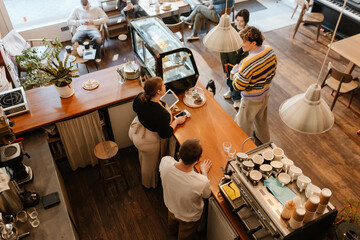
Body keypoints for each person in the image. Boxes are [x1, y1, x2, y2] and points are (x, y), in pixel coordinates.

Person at [129, 77, 187, 188]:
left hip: (134, 130)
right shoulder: (162, 114)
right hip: (146, 141)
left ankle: (141, 162)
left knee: (143, 156)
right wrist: (176, 121)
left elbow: (136, 109)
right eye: (163, 86)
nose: (165, 86)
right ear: (158, 92)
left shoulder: (140, 96)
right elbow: (165, 134)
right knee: (149, 166)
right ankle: (148, 184)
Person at [159, 138, 212, 240]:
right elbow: (206, 195)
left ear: (179, 152)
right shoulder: (201, 181)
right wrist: (204, 171)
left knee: (172, 227)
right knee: (185, 236)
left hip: (171, 207)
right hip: (189, 217)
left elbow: (172, 161)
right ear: (198, 160)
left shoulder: (165, 162)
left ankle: (172, 234)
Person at [232, 26, 277, 143]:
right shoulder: (270, 50)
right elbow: (273, 72)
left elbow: (238, 86)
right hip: (265, 93)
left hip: (250, 99)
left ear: (253, 43)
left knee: (243, 126)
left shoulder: (247, 62)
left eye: (244, 42)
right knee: (262, 121)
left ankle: (244, 148)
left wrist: (235, 73)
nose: (242, 44)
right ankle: (265, 143)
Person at [221, 9, 250, 109]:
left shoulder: (247, 32)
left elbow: (246, 51)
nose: (239, 23)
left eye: (241, 21)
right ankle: (230, 90)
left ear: (246, 21)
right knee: (229, 77)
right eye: (237, 20)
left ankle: (236, 98)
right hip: (228, 55)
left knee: (237, 79)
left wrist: (241, 63)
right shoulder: (231, 27)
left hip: (239, 58)